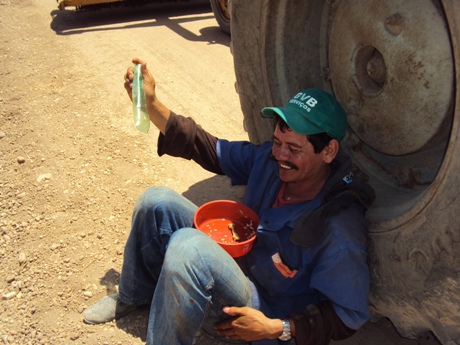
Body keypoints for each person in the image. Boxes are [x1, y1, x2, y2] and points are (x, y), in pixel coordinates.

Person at [82, 58, 375, 345]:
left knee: (188, 245)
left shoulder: (338, 228)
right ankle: (133, 297)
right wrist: (151, 104)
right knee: (156, 202)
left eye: (294, 149)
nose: (280, 155)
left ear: (328, 151)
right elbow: (211, 149)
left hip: (261, 316)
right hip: (237, 268)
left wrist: (278, 327)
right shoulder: (270, 161)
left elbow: (348, 316)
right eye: (277, 142)